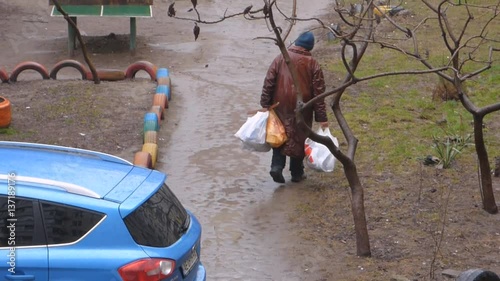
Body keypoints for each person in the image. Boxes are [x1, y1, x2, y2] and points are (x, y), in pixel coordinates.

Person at [260, 31, 329, 183]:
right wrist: (322, 118)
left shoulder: (280, 58)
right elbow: (319, 93)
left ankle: (276, 167)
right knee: (299, 136)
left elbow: (269, 81)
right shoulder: (313, 64)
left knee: (280, 133)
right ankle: (297, 173)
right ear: (310, 47)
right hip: (303, 106)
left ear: (296, 43)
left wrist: (265, 103)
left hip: (280, 104)